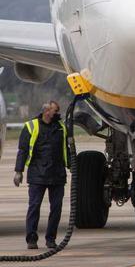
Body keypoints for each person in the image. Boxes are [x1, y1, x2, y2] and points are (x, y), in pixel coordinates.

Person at [13, 101, 69, 250]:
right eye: (55, 111)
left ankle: (51, 239)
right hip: (37, 174)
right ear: (46, 111)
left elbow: (66, 150)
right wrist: (18, 171)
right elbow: (23, 150)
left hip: (57, 174)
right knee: (34, 207)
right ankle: (31, 239)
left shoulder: (61, 127)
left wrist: (72, 166)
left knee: (56, 208)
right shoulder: (31, 126)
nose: (58, 113)